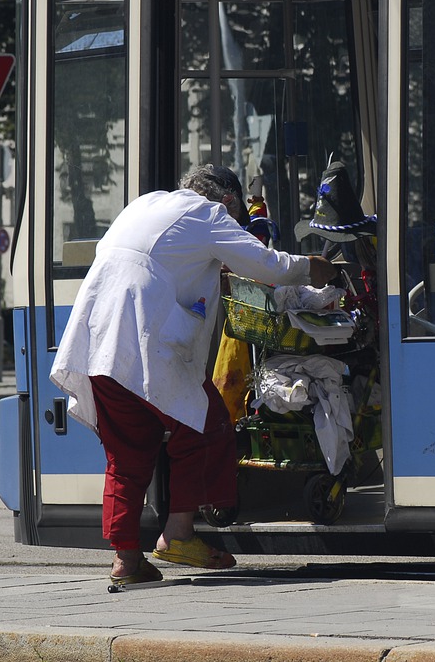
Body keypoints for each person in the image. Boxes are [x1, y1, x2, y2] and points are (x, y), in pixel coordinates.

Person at [50, 164, 337, 589]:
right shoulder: (209, 214)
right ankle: (179, 533)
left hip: (97, 346)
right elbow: (267, 266)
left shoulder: (146, 204)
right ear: (230, 202)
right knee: (209, 425)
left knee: (127, 454)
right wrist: (315, 268)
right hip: (146, 344)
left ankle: (127, 560)